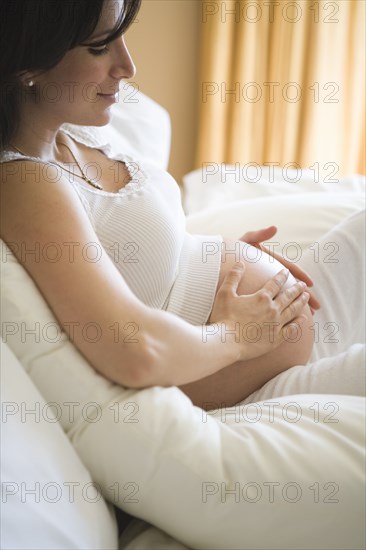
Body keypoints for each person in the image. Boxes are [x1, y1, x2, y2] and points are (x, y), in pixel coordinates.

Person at [1, 0, 321, 412]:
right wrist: (238, 335)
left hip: (275, 326)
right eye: (100, 48)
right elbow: (136, 352)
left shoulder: (76, 131)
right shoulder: (25, 182)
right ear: (28, 61)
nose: (127, 67)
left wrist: (225, 263)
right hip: (243, 372)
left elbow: (133, 263)